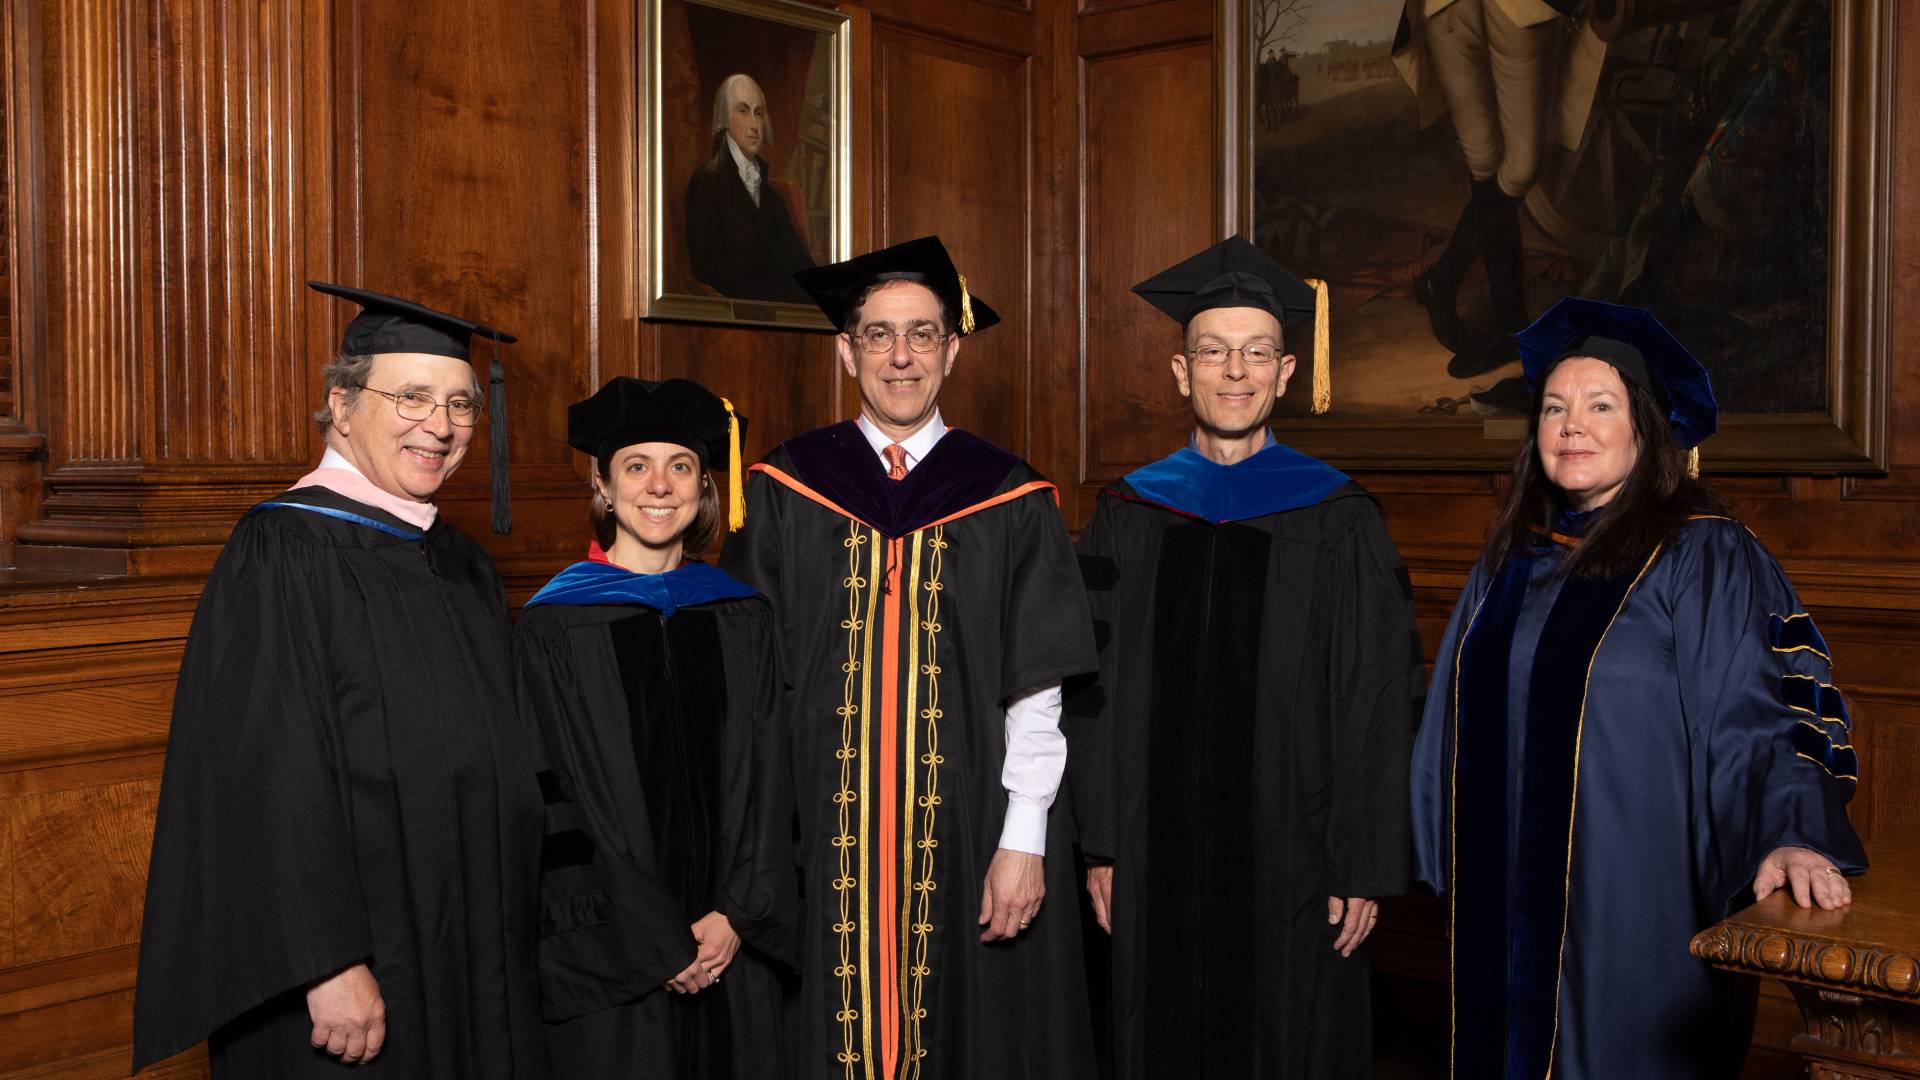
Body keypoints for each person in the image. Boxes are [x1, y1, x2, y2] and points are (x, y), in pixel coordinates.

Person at [1408, 297, 1867, 1079]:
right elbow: (1445, 728)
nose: (1571, 425)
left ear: (1645, 429)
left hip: (1635, 900)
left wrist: (1791, 828)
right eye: (1554, 407)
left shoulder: (1704, 555)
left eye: (1599, 405)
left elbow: (1757, 714)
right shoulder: (1507, 562)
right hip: (1501, 897)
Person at [131, 283, 547, 1077]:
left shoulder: (459, 563)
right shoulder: (283, 553)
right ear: (343, 405)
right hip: (357, 959)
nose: (442, 425)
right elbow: (261, 776)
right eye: (413, 397)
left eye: (462, 405)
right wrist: (323, 964)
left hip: (466, 940)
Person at [720, 236, 1099, 1079]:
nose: (901, 357)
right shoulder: (786, 488)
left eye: (922, 334)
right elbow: (744, 688)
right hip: (813, 831)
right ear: (846, 349)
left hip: (967, 830)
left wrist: (1024, 840)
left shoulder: (1009, 495)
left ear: (952, 350)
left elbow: (1038, 687)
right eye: (880, 335)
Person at [1067, 236, 1422, 1079]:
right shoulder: (1129, 512)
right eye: (1214, 352)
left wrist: (1361, 862)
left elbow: (1377, 693)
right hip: (1155, 846)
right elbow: (1093, 689)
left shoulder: (1340, 519)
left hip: (1296, 854)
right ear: (1181, 372)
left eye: (1256, 354)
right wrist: (1103, 845)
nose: (1235, 372)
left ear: (1287, 372)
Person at [514, 377, 795, 1078]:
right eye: (636, 466)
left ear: (705, 488)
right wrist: (657, 939)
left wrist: (736, 912)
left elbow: (772, 773)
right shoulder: (552, 626)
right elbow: (551, 800)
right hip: (618, 949)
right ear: (603, 485)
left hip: (734, 941)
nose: (659, 487)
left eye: (681, 468)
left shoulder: (742, 616)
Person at [1391, 0, 1603, 377]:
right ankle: (1510, 327)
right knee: (1482, 163)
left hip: (1524, 6)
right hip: (1446, 9)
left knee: (1521, 167)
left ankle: (1443, 277)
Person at [684, 73, 816, 304]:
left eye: (759, 113)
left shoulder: (774, 198)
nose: (754, 125)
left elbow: (801, 267)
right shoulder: (706, 182)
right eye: (743, 111)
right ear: (725, 118)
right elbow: (705, 268)